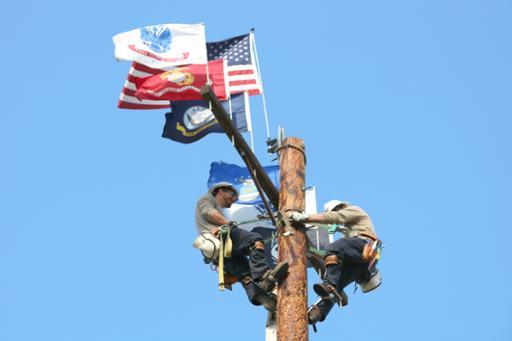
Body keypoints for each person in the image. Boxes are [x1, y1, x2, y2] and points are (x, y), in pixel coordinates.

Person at [195, 182, 289, 313]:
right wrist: (227, 223)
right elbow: (207, 212)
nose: (232, 201)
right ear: (220, 191)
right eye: (232, 195)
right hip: (221, 237)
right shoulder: (207, 199)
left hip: (217, 253)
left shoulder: (220, 210)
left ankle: (262, 298)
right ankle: (263, 276)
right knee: (255, 240)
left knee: (245, 274)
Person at [289, 200, 382, 325]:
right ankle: (317, 313)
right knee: (336, 286)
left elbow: (334, 217)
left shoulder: (354, 209)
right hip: (365, 262)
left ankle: (330, 286)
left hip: (364, 245)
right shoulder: (351, 228)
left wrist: (305, 218)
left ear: (341, 207)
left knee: (333, 250)